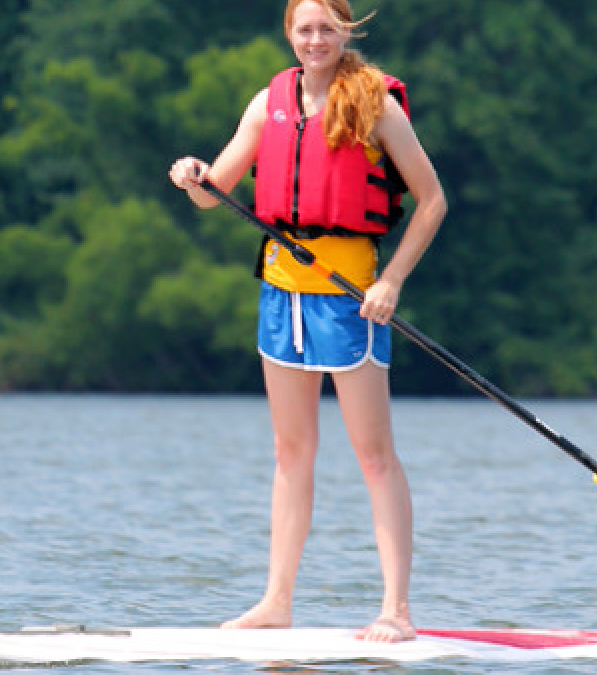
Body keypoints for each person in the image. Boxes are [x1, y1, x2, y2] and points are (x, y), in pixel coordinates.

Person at [168, 0, 446, 643]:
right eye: (304, 29)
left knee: (374, 456)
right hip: (280, 292)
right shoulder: (270, 102)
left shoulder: (375, 101)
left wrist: (392, 281)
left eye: (327, 27)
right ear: (289, 34)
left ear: (346, 30)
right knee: (291, 453)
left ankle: (397, 610)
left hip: (351, 296)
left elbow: (433, 201)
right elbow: (218, 189)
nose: (315, 39)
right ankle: (277, 599)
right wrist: (192, 177)